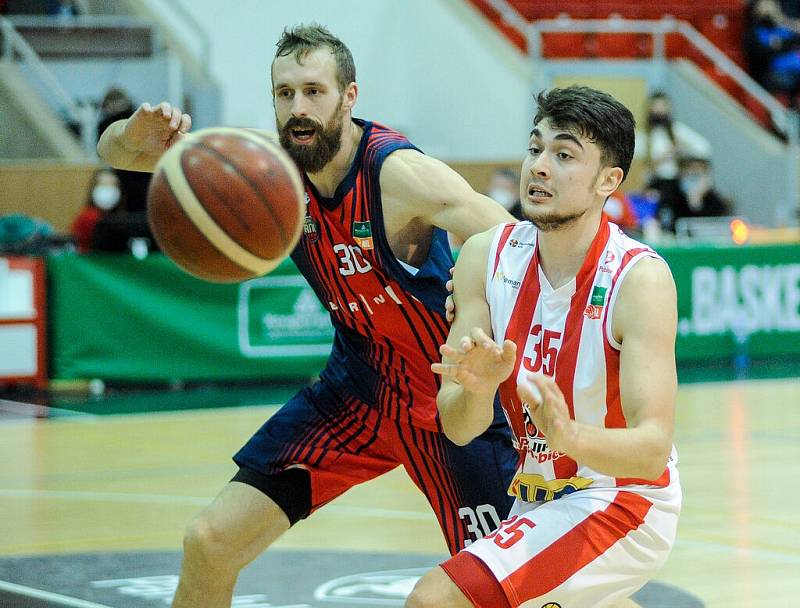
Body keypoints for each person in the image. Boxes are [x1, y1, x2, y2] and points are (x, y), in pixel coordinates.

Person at [97, 24, 519, 608]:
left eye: (314, 91)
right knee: (210, 542)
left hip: (449, 404)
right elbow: (116, 153)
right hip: (358, 393)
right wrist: (132, 132)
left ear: (349, 96)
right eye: (284, 93)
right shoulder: (262, 166)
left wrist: (480, 289)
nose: (298, 108)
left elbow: (512, 240)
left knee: (512, 590)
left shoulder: (396, 174)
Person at [406, 86, 681, 608]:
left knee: (434, 600)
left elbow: (650, 451)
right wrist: (479, 389)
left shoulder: (639, 280)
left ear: (609, 181)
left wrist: (568, 434)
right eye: (535, 148)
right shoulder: (484, 258)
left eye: (563, 155)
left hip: (624, 499)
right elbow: (458, 427)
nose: (539, 167)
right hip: (534, 497)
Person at [633, 90, 712, 197]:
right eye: (656, 106)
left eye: (663, 106)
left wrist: (684, 150)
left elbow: (704, 148)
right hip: (655, 184)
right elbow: (640, 169)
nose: (660, 111)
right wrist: (666, 155)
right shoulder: (643, 137)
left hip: (677, 182)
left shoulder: (677, 131)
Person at [654, 155, 732, 234]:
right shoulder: (670, 195)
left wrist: (696, 202)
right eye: (689, 171)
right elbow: (666, 225)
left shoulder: (715, 201)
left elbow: (716, 229)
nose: (692, 177)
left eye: (698, 173)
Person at [70, 167, 124, 253]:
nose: (108, 190)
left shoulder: (124, 217)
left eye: (112, 185)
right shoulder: (85, 218)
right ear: (93, 189)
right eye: (103, 185)